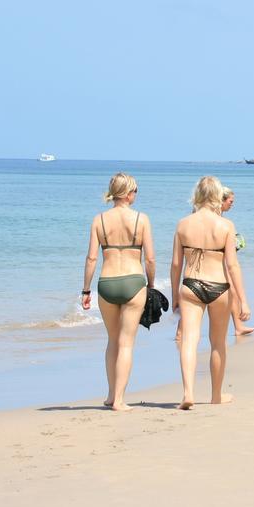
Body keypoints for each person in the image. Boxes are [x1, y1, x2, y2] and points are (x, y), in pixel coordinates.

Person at [170, 176, 250, 409]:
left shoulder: (183, 223)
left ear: (197, 194)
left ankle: (188, 393)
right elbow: (232, 265)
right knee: (218, 343)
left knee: (189, 341)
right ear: (217, 195)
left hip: (191, 285)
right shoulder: (226, 225)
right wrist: (243, 300)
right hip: (219, 287)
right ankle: (216, 395)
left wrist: (175, 293)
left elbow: (176, 264)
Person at [80, 172, 155, 411]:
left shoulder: (99, 219)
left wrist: (85, 290)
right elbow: (150, 259)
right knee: (126, 343)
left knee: (112, 340)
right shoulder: (141, 219)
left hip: (107, 282)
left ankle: (111, 394)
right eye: (135, 190)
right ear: (127, 193)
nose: (136, 194)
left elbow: (92, 258)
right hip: (133, 282)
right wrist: (151, 286)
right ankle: (120, 400)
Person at [221, 187, 254, 336]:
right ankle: (180, 332)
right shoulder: (221, 220)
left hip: (220, 260)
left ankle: (238, 326)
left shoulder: (220, 218)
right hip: (216, 264)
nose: (232, 204)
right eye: (230, 201)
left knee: (233, 292)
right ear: (221, 200)